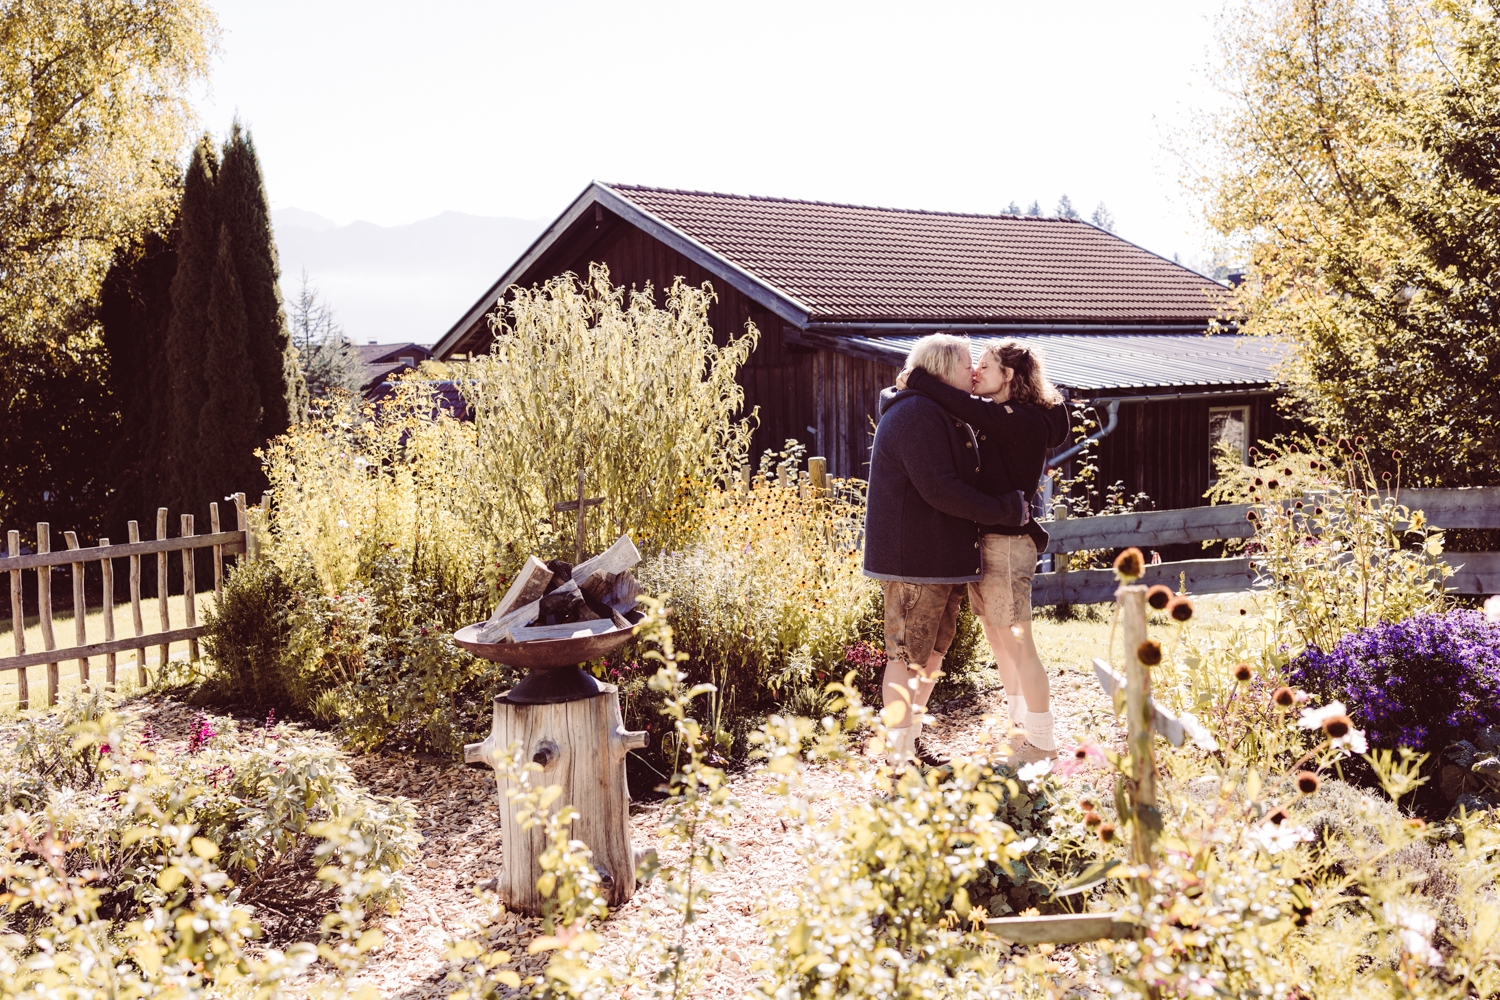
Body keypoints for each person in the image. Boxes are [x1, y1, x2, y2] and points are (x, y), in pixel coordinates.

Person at [863, 333, 1031, 767]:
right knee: (906, 656)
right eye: (965, 365)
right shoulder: (916, 414)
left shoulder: (939, 411)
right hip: (914, 561)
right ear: (942, 368)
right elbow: (942, 490)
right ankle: (897, 762)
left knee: (931, 655)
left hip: (941, 559)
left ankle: (910, 743)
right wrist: (1006, 510)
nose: (972, 372)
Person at [899, 339, 1069, 761]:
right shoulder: (1007, 418)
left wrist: (918, 378)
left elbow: (972, 408)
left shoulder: (1021, 419)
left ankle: (1043, 741)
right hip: (990, 541)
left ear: (1009, 377)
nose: (976, 373)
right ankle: (1019, 727)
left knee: (1018, 642)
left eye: (987, 367)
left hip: (1010, 544)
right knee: (999, 638)